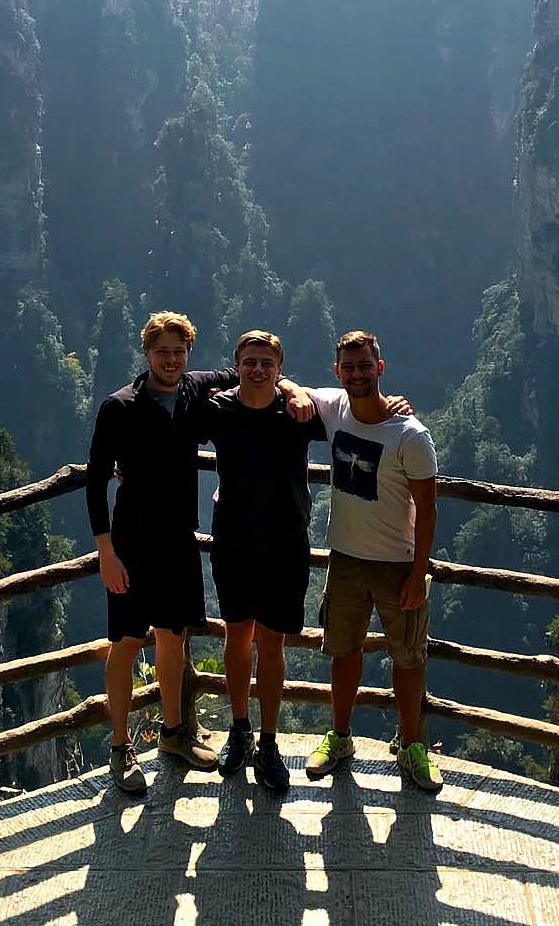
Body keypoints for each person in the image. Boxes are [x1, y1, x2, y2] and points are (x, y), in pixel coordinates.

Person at [86, 311, 310, 794]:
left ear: (187, 355)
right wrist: (105, 551)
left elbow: (254, 369)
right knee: (125, 642)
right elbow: (95, 478)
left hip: (179, 540)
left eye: (178, 352)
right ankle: (121, 746)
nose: (170, 359)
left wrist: (291, 388)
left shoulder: (192, 391)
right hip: (130, 543)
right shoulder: (119, 406)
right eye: (162, 351)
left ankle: (173, 734)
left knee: (171, 636)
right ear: (146, 353)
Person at [303, 330, 442, 791]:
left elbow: (427, 509)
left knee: (407, 657)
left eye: (365, 366)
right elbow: (285, 383)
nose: (357, 374)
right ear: (337, 371)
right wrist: (289, 392)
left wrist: (419, 573)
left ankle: (412, 745)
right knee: (342, 652)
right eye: (349, 367)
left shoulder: (411, 435)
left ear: (379, 369)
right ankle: (340, 737)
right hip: (345, 558)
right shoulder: (335, 408)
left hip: (397, 563)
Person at [190, 330, 326, 791]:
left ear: (279, 369)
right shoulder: (217, 409)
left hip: (285, 542)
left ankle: (268, 743)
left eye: (267, 363)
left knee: (272, 644)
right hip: (233, 542)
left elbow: (352, 408)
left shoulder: (298, 412)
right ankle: (240, 730)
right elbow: (167, 403)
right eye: (249, 362)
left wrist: (296, 391)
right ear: (236, 365)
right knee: (236, 637)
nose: (258, 370)